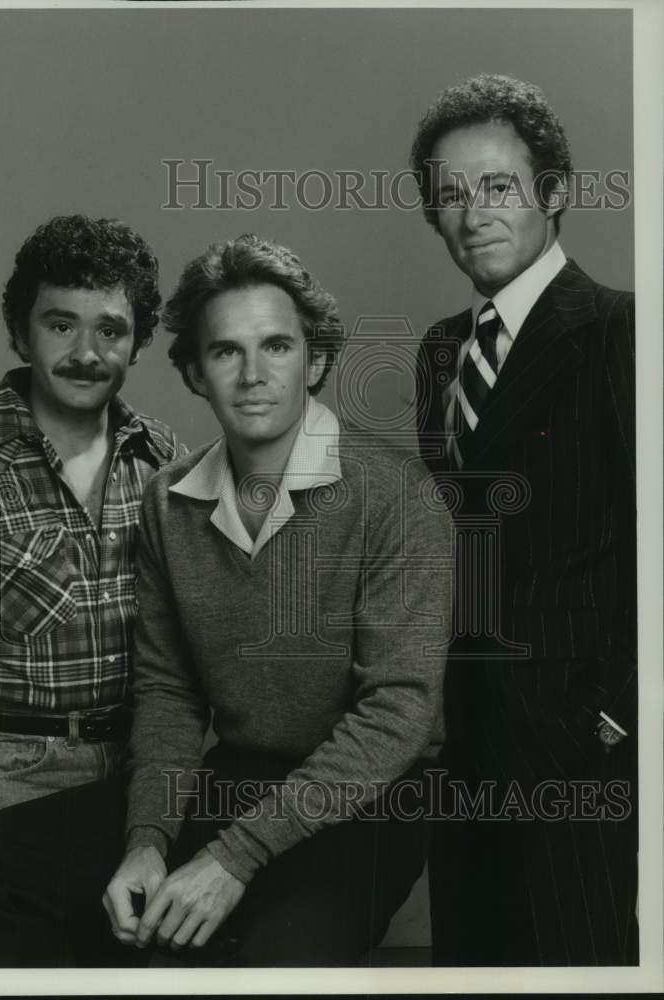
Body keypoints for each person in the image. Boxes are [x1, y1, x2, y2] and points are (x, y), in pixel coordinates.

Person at [0, 235, 453, 968]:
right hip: (233, 780)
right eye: (226, 352)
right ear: (196, 373)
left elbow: (397, 711)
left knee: (259, 964)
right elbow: (169, 694)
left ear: (318, 361)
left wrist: (232, 860)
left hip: (371, 799)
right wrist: (149, 843)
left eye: (277, 346)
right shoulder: (169, 500)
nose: (254, 374)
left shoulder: (397, 494)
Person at [411, 74, 637, 965]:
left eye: (498, 186)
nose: (474, 214)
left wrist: (615, 716)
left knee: (574, 958)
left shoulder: (623, 331)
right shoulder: (439, 350)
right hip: (458, 741)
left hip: (579, 742)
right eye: (450, 196)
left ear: (554, 192)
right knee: (468, 964)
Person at [0, 215, 185, 864]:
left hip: (136, 774)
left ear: (140, 343)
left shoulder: (166, 459)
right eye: (61, 325)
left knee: (116, 959)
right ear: (20, 333)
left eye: (111, 330)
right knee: (2, 962)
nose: (86, 353)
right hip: (5, 771)